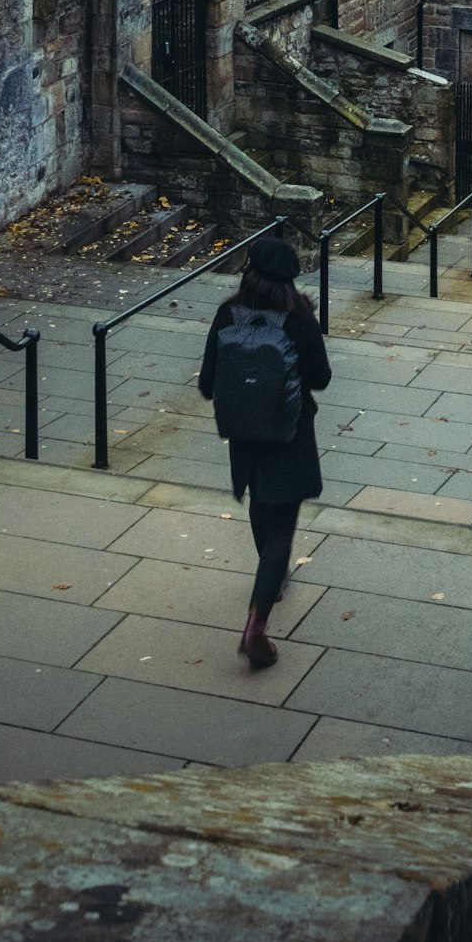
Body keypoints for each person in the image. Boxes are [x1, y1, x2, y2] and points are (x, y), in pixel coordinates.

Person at [198, 232, 330, 670]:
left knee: (260, 501)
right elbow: (322, 378)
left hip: (243, 434)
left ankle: (271, 583)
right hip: (288, 432)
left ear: (249, 271)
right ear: (291, 280)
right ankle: (257, 622)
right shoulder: (298, 317)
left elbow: (205, 383)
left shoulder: (226, 313)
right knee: (282, 526)